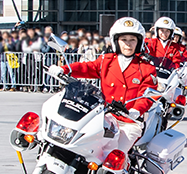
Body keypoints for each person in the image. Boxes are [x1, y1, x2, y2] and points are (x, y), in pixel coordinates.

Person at [47, 17, 159, 156]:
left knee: (114, 157)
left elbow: (149, 94)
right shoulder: (106, 61)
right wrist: (64, 69)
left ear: (139, 42)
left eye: (132, 40)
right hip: (103, 117)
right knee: (80, 145)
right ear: (116, 41)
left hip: (128, 122)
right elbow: (86, 68)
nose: (128, 44)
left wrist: (136, 110)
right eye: (124, 40)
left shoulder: (146, 68)